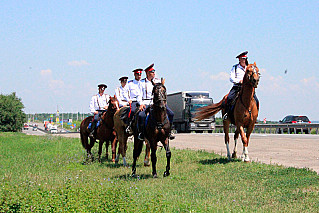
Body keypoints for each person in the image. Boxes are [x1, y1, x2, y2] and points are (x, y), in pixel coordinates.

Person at [137, 63, 175, 140]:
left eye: (154, 71)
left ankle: (169, 131)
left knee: (171, 113)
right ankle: (142, 133)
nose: (154, 73)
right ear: (147, 73)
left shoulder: (158, 81)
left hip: (158, 103)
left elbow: (163, 92)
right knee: (141, 115)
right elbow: (139, 95)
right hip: (146, 103)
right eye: (152, 72)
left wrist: (164, 101)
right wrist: (141, 104)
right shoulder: (141, 83)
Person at [223, 51, 259, 120]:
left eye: (245, 58)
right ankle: (227, 114)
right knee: (229, 98)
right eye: (243, 58)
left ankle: (255, 116)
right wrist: (238, 81)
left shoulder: (249, 68)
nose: (244, 60)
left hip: (248, 88)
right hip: (237, 87)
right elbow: (231, 78)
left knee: (256, 100)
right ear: (239, 59)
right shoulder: (235, 67)